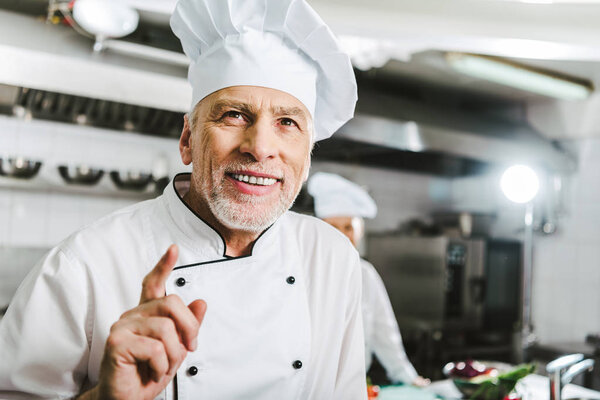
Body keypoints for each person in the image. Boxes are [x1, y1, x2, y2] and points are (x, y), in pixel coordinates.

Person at [0, 1, 367, 399]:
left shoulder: (330, 257)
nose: (260, 148)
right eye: (233, 115)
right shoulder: (85, 264)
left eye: (288, 123)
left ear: (307, 157)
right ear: (188, 140)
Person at [307, 172, 430, 387]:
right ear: (320, 229)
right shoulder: (303, 270)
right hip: (309, 385)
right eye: (333, 227)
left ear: (360, 231)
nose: (342, 235)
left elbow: (384, 331)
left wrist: (408, 376)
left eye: (348, 227)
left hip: (354, 383)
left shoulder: (365, 273)